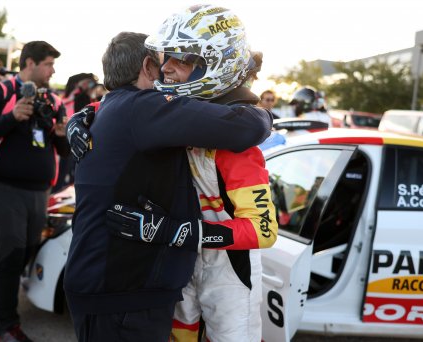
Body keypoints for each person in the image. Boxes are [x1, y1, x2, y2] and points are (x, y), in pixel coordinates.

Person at [67, 6, 278, 341]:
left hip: (224, 266)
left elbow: (263, 230)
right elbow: (121, 107)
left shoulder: (237, 138)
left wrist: (181, 232)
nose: (166, 68)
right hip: (177, 259)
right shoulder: (172, 114)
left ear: (215, 62)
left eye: (182, 59)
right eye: (168, 58)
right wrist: (82, 115)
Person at [0, 40, 68, 342]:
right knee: (10, 256)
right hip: (6, 188)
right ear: (30, 64)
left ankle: (1, 305)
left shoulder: (54, 100)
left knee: (24, 254)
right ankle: (4, 325)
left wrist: (61, 135)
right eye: (49, 64)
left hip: (40, 192)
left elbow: (63, 150)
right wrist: (12, 118)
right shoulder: (3, 91)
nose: (52, 70)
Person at [52, 73, 100, 193]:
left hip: (70, 137)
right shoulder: (80, 97)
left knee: (66, 174)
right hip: (75, 139)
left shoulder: (68, 97)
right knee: (68, 174)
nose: (90, 86)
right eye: (88, 83)